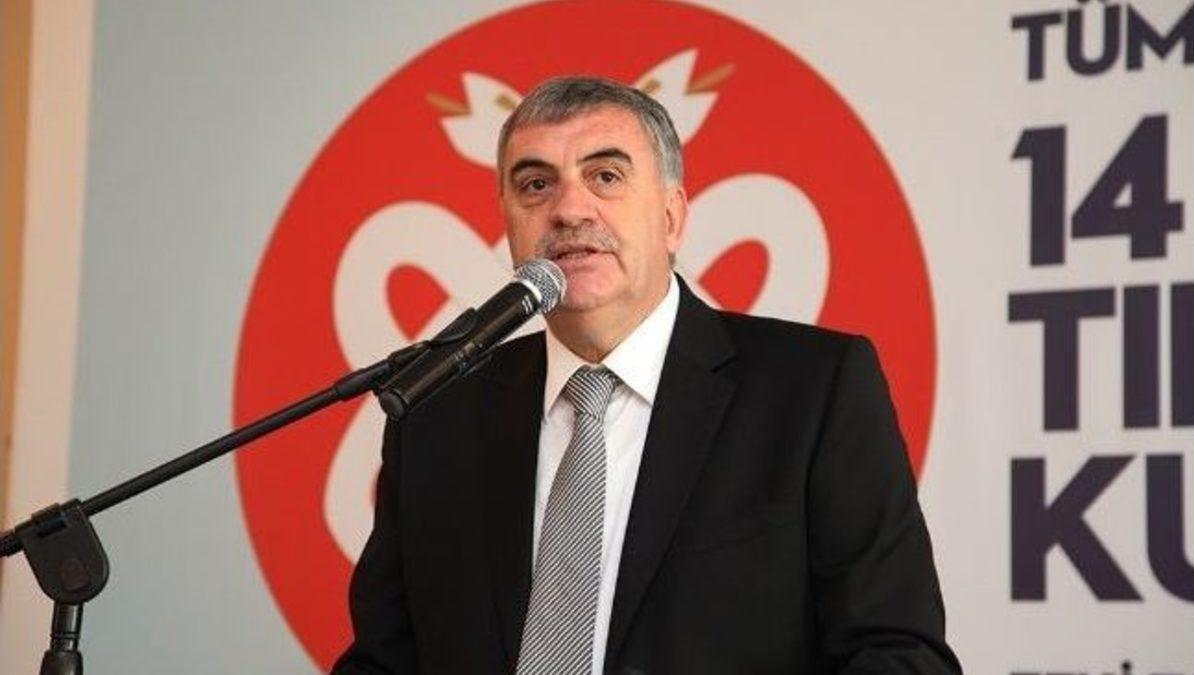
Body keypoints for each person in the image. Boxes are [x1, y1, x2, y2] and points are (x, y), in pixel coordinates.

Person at [332, 76, 960, 674]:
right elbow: (385, 663)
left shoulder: (813, 392)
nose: (568, 208)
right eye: (535, 184)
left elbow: (898, 654)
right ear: (508, 223)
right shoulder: (437, 416)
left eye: (605, 176)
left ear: (671, 217)